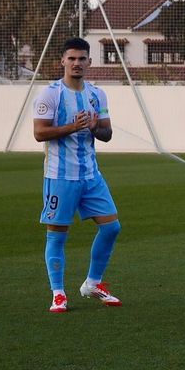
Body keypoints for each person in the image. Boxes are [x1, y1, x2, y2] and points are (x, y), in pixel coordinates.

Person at [34, 37, 122, 313]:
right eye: (71, 58)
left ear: (89, 62)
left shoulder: (97, 94)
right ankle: (58, 293)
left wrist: (95, 127)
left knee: (111, 227)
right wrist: (71, 127)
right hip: (60, 176)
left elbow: (107, 134)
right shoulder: (50, 94)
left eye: (82, 58)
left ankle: (93, 283)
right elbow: (39, 133)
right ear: (62, 61)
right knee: (57, 234)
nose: (76, 63)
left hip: (91, 175)